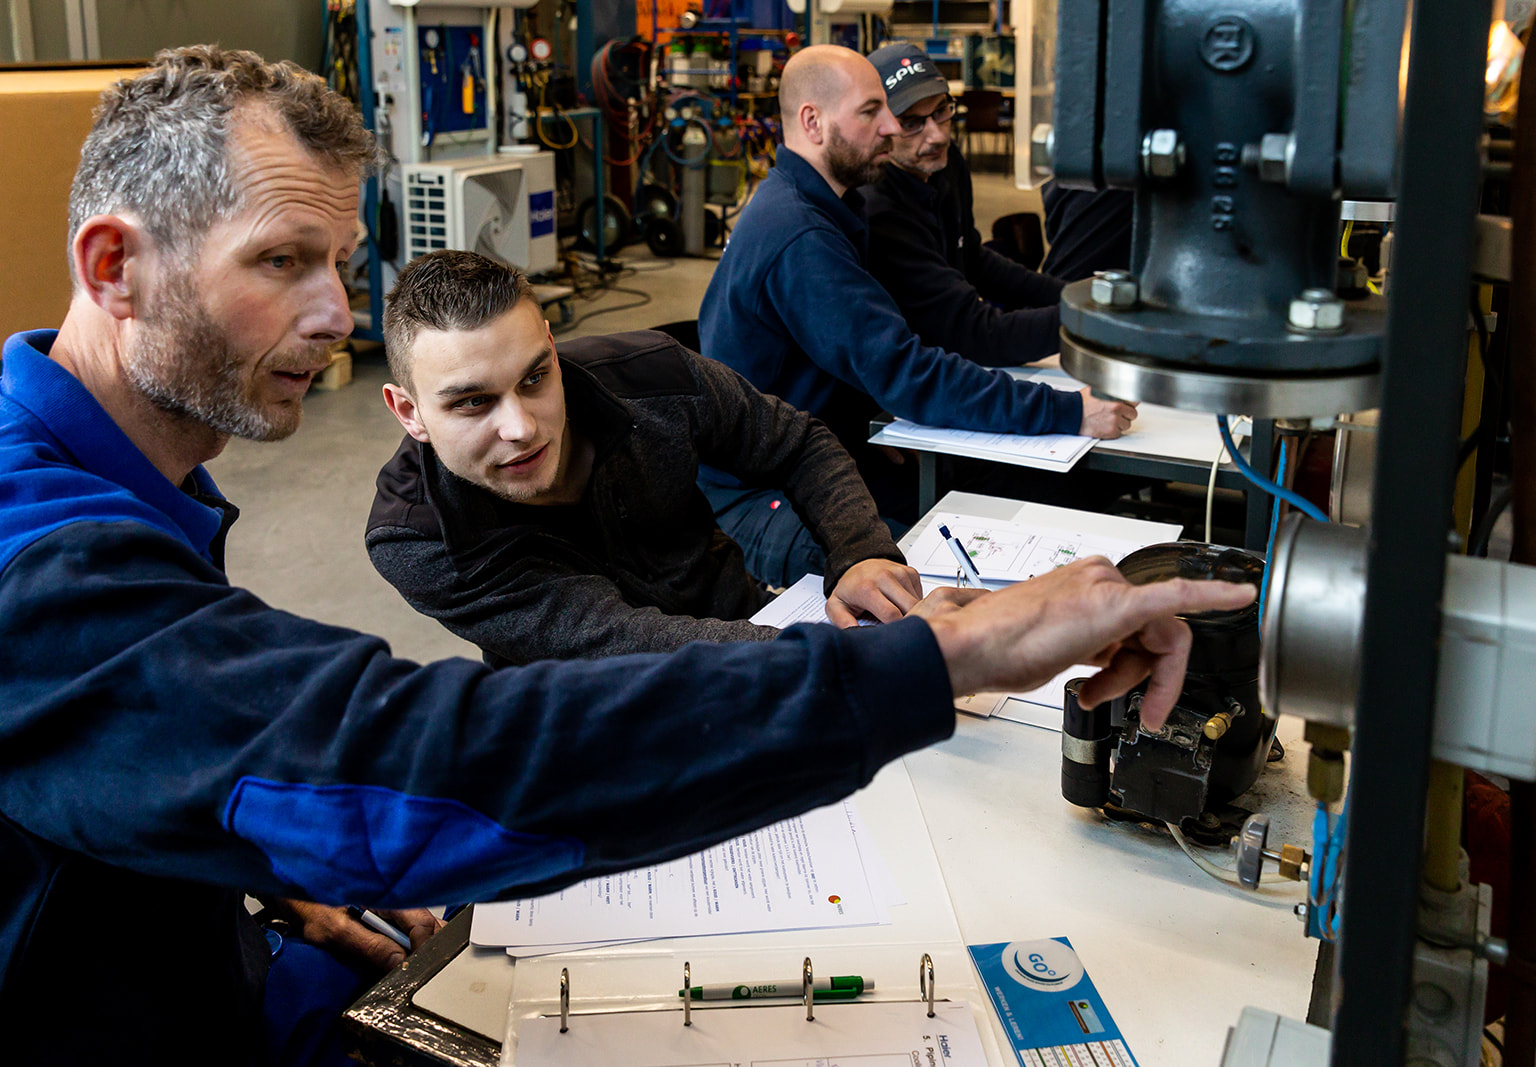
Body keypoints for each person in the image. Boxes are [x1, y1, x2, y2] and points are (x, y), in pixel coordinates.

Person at [0, 45, 1253, 1064]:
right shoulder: (38, 555)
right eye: (282, 263)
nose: (336, 317)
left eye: (337, 260)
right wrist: (958, 647)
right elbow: (399, 760)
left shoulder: (143, 487)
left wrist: (262, 890)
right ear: (115, 268)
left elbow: (154, 759)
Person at [368, 250, 925, 663]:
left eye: (535, 377)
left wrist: (860, 553)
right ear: (409, 411)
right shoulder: (418, 536)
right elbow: (617, 641)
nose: (520, 427)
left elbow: (795, 442)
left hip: (757, 625)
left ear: (551, 346)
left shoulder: (653, 376)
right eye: (472, 402)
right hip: (603, 715)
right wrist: (842, 657)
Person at [697, 44, 1137, 551]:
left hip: (823, 454)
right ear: (813, 122)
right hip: (764, 497)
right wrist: (1068, 412)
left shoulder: (830, 208)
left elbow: (853, 357)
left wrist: (859, 419)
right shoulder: (801, 236)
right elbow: (908, 372)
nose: (890, 127)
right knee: (935, 581)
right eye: (871, 112)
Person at [859, 42, 1065, 367]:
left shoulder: (946, 163)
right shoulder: (878, 208)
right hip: (910, 384)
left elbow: (970, 255)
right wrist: (1087, 321)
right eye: (911, 122)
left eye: (941, 110)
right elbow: (973, 334)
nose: (937, 135)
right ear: (879, 126)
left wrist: (1070, 297)